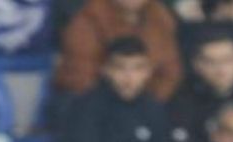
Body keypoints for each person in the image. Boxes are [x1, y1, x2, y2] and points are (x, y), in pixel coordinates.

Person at [55, 0, 183, 102]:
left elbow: (170, 73)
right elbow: (81, 80)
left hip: (148, 107)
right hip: (94, 108)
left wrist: (146, 106)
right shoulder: (87, 20)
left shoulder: (160, 17)